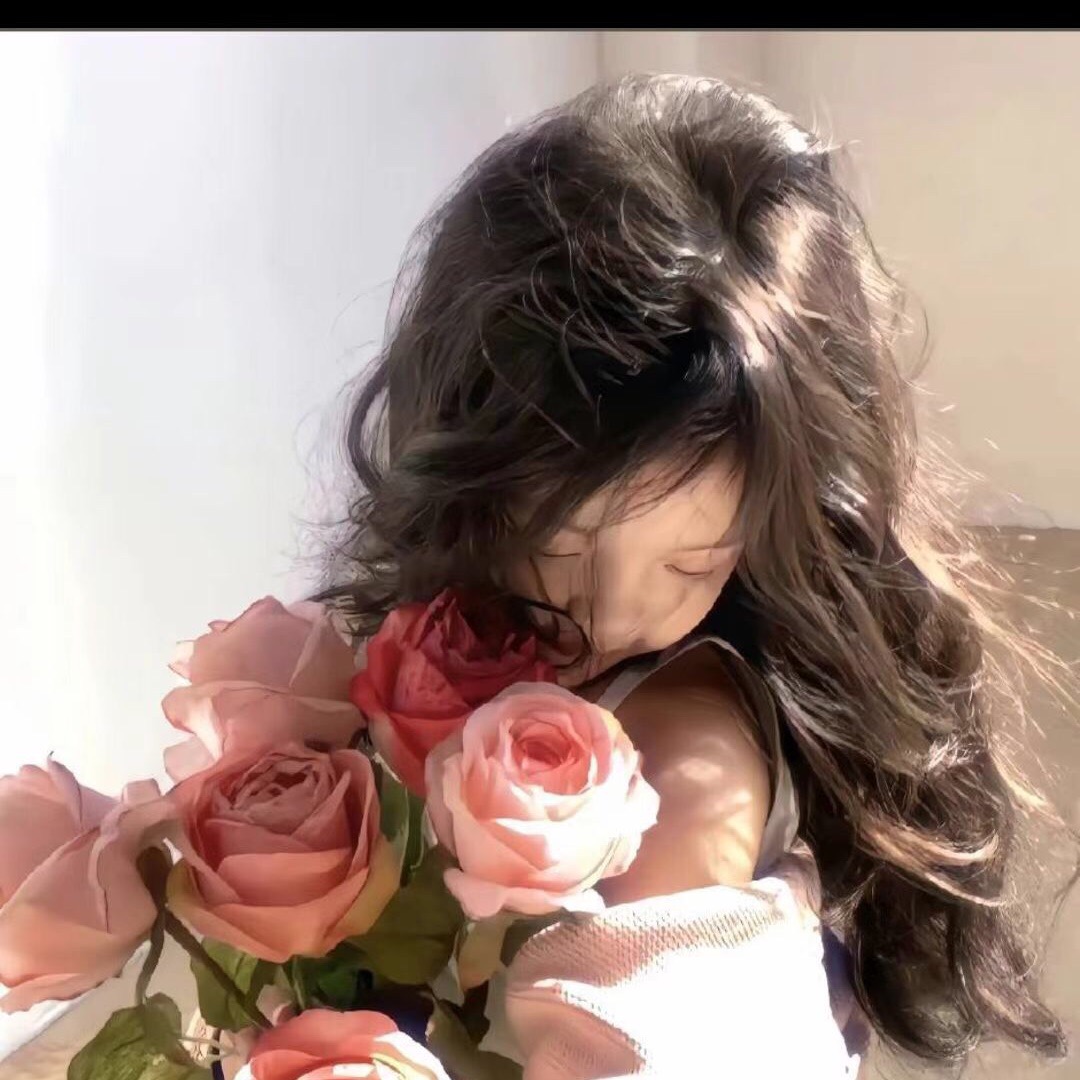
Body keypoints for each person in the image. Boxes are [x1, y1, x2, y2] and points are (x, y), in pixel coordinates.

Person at [310, 73, 1071, 1075]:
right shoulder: (452, 644)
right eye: (560, 544)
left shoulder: (682, 750)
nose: (614, 615)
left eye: (692, 562)